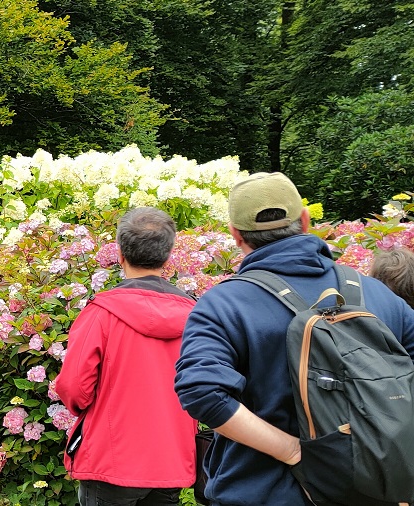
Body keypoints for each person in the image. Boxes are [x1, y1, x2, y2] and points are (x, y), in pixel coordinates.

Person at [174, 172, 414, 505]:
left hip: (261, 493)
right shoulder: (377, 295)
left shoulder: (224, 304)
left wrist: (293, 450)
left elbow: (201, 392)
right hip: (371, 489)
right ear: (304, 220)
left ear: (235, 235)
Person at [54, 207, 197, 506]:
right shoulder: (196, 316)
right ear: (168, 256)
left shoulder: (101, 313)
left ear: (120, 254)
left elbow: (73, 388)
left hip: (111, 460)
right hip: (171, 458)